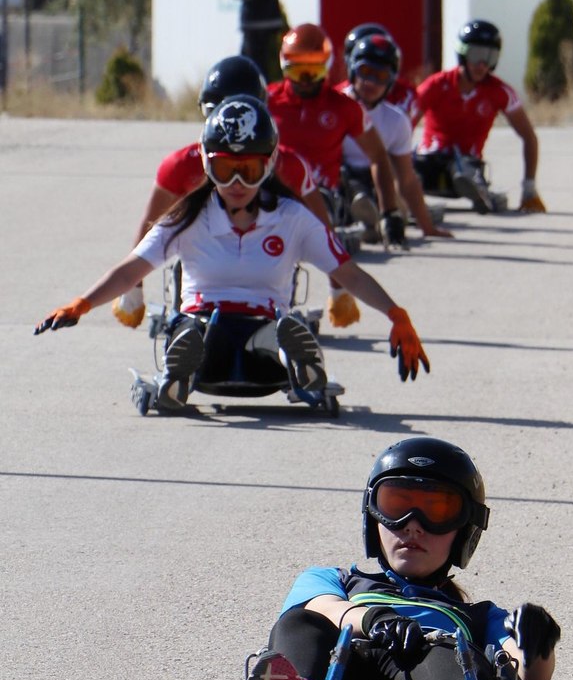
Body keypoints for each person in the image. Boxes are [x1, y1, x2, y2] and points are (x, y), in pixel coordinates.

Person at [34, 97, 430, 410]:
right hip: (205, 323)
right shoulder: (188, 216)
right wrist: (82, 303)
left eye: (250, 170)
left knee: (277, 334)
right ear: (207, 165)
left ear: (270, 164)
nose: (238, 183)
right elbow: (131, 269)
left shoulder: (292, 218)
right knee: (196, 331)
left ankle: (295, 362)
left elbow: (349, 273)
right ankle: (183, 369)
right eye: (226, 170)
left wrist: (396, 314)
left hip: (264, 328)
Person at [242, 436, 564, 680]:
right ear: (372, 514)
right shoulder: (337, 581)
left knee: (446, 656)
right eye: (396, 505)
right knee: (301, 620)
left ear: (465, 528)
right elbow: (323, 607)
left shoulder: (477, 615)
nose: (413, 526)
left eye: (437, 509)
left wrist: (536, 647)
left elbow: (530, 675)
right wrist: (374, 619)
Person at [112, 55, 361, 333]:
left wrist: (133, 292)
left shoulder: (287, 164)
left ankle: (228, 332)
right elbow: (152, 230)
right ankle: (201, 332)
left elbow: (319, 229)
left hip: (264, 270)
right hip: (207, 274)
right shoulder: (183, 165)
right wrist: (338, 290)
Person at [267, 23, 407, 249]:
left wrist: (390, 213)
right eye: (297, 70)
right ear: (284, 66)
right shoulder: (266, 101)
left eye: (314, 71)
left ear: (327, 66)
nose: (305, 79)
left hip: (323, 199)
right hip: (272, 192)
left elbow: (378, 156)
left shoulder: (345, 108)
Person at [414, 20, 547, 214]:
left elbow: (529, 137)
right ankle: (402, 198)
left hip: (467, 163)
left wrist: (529, 187)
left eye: (490, 57)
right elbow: (402, 126)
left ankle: (476, 190)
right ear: (463, 53)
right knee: (412, 167)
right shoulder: (435, 85)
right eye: (476, 55)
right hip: (430, 162)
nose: (482, 65)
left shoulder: (500, 92)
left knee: (464, 170)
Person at [339, 34, 452, 241]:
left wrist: (427, 228)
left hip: (379, 185)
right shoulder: (333, 106)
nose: (371, 82)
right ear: (353, 71)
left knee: (389, 173)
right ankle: (361, 216)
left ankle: (375, 217)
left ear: (391, 81)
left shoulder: (396, 120)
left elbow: (407, 179)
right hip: (338, 178)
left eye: (380, 76)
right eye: (365, 72)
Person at [342, 22, 422, 127]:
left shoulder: (404, 93)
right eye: (366, 69)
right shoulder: (339, 94)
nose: (371, 81)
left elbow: (399, 131)